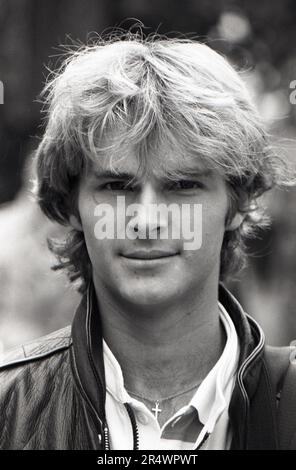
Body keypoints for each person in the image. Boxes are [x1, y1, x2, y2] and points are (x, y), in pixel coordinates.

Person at [0, 33, 295, 451]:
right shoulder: (9, 410)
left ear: (236, 204)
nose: (148, 219)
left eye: (182, 185)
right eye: (118, 185)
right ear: (71, 206)